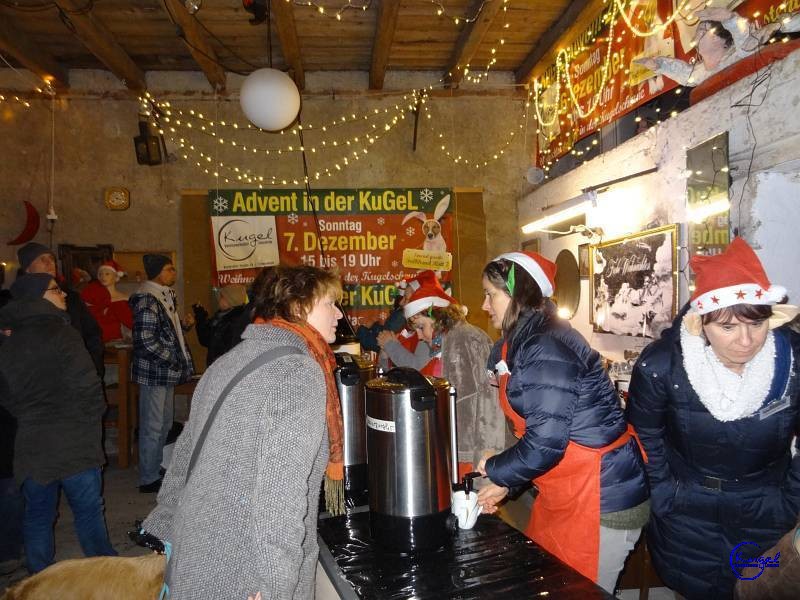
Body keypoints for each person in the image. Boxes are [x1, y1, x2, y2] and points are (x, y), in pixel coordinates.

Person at [141, 265, 344, 599]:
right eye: (330, 303)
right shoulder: (297, 372)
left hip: (196, 547)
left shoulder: (228, 360)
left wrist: (164, 525)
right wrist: (276, 585)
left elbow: (184, 456)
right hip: (243, 569)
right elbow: (280, 497)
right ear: (297, 306)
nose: (339, 314)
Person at [627, 237, 800, 599]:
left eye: (756, 324)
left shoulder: (792, 363)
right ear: (701, 324)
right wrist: (665, 493)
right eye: (728, 327)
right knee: (693, 589)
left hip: (767, 508)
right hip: (686, 510)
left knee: (757, 588)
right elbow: (644, 435)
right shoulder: (662, 365)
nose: (746, 341)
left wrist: (791, 499)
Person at [476, 251, 649, 593]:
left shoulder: (545, 346)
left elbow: (545, 443)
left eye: (490, 294)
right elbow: (546, 430)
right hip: (567, 487)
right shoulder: (526, 340)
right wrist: (508, 483)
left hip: (600, 497)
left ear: (517, 294)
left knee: (579, 591)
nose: (484, 305)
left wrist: (496, 468)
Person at [0, 273, 116, 574]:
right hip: (74, 438)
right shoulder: (63, 333)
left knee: (38, 514)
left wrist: (29, 415)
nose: (63, 294)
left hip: (33, 440)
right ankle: (107, 573)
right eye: (55, 289)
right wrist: (91, 421)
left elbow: (6, 394)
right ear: (37, 296)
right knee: (88, 511)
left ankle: (41, 579)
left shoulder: (8, 340)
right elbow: (89, 385)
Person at [401, 277, 505, 476]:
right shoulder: (447, 344)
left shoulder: (465, 338)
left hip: (469, 451)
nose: (420, 336)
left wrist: (488, 454)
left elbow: (488, 399)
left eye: (422, 327)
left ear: (439, 317)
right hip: (456, 447)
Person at [129, 254, 194, 494]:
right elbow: (145, 341)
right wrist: (173, 358)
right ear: (157, 272)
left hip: (164, 372)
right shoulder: (148, 298)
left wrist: (184, 326)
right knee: (153, 425)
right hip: (155, 372)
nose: (173, 273)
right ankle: (148, 477)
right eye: (169, 269)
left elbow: (166, 331)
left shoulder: (163, 295)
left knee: (164, 423)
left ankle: (155, 469)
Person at [17, 242, 104, 375]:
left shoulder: (71, 298)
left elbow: (92, 334)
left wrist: (93, 366)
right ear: (27, 268)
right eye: (42, 259)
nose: (50, 263)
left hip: (78, 373)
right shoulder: (16, 303)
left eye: (51, 258)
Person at [192, 283, 249, 367]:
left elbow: (209, 340)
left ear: (230, 301)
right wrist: (201, 316)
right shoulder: (223, 316)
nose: (219, 299)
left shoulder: (232, 322)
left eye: (222, 297)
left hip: (223, 369)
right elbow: (206, 338)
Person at [81, 260, 134, 343]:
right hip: (95, 340)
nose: (103, 277)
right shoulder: (91, 297)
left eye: (107, 274)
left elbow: (131, 323)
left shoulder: (125, 298)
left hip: (115, 340)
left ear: (116, 276)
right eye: (100, 274)